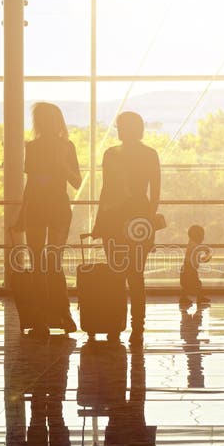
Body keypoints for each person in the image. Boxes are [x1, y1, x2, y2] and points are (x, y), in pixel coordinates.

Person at [93, 111, 161, 348]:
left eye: (120, 126)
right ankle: (137, 328)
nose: (119, 130)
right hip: (138, 219)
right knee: (136, 276)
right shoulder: (150, 155)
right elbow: (155, 193)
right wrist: (150, 223)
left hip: (113, 218)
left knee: (116, 275)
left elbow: (106, 190)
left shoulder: (111, 154)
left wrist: (99, 222)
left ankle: (114, 325)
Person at [16, 102, 81, 338]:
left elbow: (31, 184)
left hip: (38, 207)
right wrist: (62, 166)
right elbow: (76, 182)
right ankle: (63, 315)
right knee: (54, 262)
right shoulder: (66, 146)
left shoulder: (33, 147)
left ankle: (42, 319)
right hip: (57, 207)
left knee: (38, 263)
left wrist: (22, 214)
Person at [179, 223, 211, 310]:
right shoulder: (194, 245)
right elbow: (198, 251)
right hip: (190, 269)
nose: (202, 238)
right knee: (197, 284)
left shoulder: (191, 243)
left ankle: (184, 298)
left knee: (187, 285)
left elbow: (196, 257)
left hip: (187, 268)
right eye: (201, 236)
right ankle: (199, 297)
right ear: (196, 236)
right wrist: (207, 253)